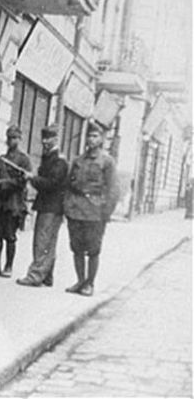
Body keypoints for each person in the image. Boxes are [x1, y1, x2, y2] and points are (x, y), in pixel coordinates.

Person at [64, 121, 119, 296]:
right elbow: (68, 185)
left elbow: (113, 189)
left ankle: (90, 284)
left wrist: (106, 212)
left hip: (95, 213)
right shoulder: (78, 160)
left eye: (95, 136)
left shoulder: (107, 161)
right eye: (89, 135)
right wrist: (67, 206)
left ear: (102, 139)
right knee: (76, 248)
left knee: (93, 250)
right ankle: (80, 281)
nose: (91, 139)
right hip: (76, 211)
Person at [16, 124, 68, 287]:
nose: (45, 142)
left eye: (49, 139)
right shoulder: (51, 157)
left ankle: (35, 275)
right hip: (51, 206)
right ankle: (46, 276)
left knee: (42, 241)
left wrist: (32, 178)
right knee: (48, 242)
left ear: (56, 139)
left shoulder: (58, 160)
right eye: (44, 138)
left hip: (51, 207)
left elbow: (52, 183)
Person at [0, 125, 32, 277]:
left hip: (13, 203)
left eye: (15, 138)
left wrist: (1, 183)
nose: (11, 141)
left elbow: (21, 183)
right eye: (9, 138)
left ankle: (8, 266)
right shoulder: (2, 158)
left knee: (9, 236)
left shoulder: (24, 160)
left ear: (20, 139)